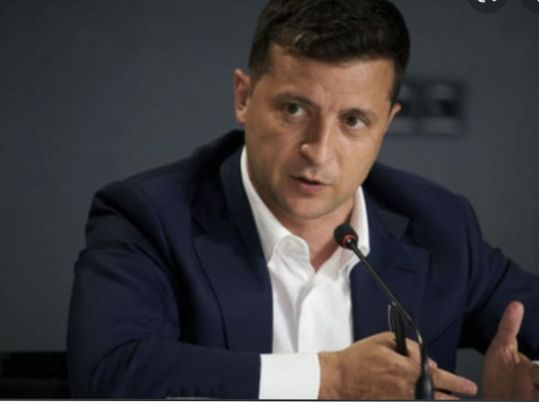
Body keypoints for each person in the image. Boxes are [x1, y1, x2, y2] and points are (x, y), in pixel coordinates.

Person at [67, 0, 538, 399]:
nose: (318, 150)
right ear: (244, 96)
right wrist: (330, 378)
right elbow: (109, 373)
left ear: (386, 123)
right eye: (294, 109)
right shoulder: (148, 216)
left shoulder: (437, 224)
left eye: (353, 121)